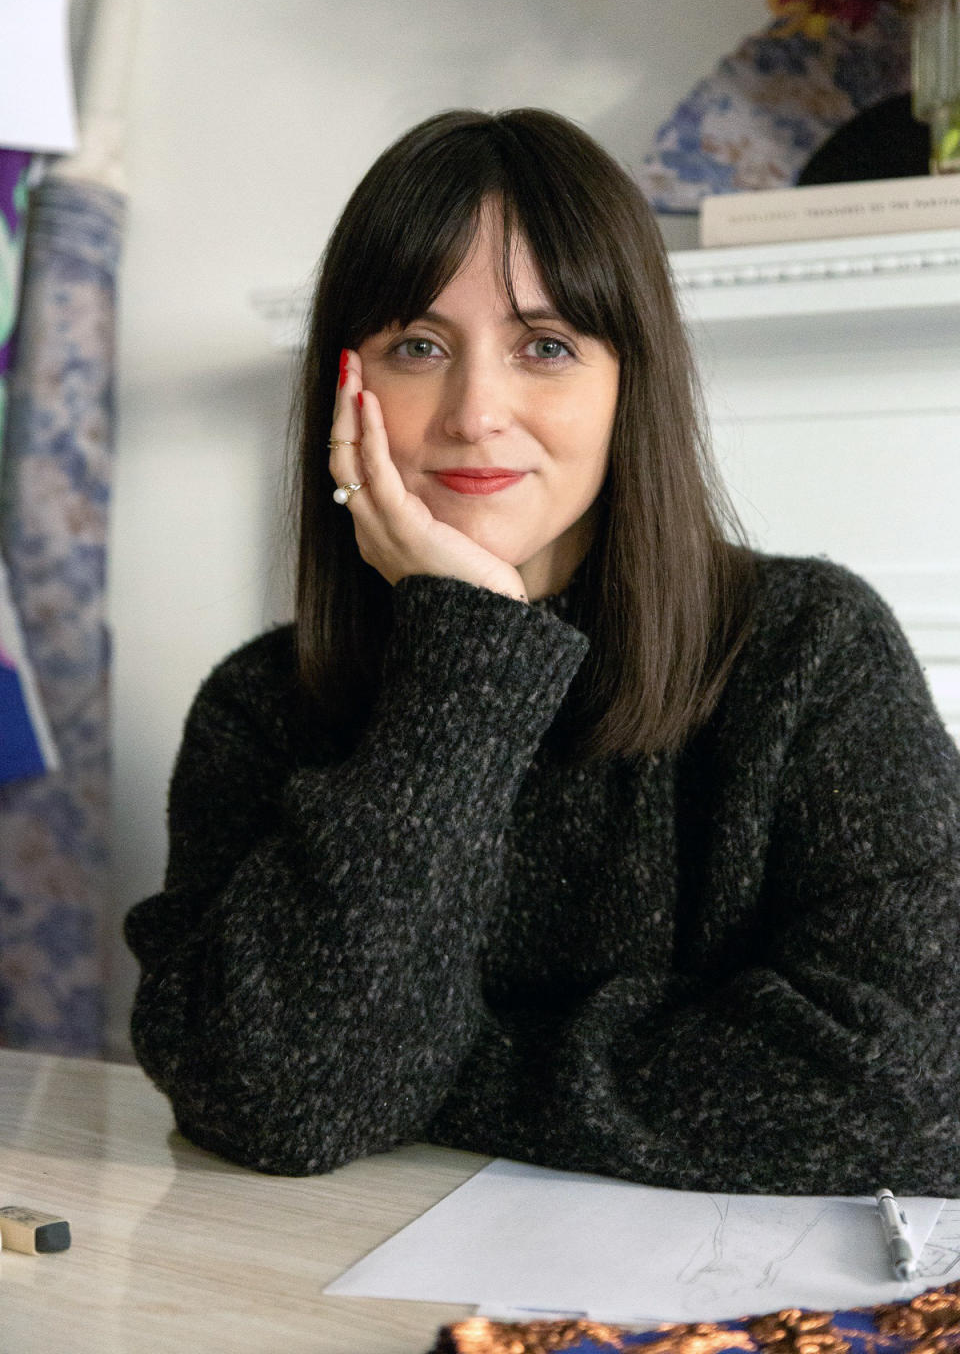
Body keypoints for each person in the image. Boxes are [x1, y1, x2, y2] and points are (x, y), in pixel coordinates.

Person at [124, 107, 960, 1194]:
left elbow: (920, 1084)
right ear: (349, 389)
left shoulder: (809, 650)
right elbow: (279, 1102)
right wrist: (462, 665)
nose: (476, 412)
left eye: (548, 346)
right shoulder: (262, 704)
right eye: (417, 346)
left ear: (630, 386)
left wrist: (437, 1066)